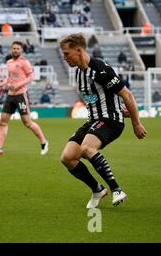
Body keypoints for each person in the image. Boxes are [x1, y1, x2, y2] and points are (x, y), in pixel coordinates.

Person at [59, 33, 147, 208]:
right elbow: (96, 97)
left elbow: (127, 94)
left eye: (67, 53)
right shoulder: (78, 73)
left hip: (110, 120)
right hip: (94, 120)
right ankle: (98, 189)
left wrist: (136, 123)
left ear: (79, 50)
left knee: (86, 148)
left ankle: (117, 190)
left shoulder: (101, 70)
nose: (64, 57)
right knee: (67, 157)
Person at [0, 41, 49, 157]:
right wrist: (1, 84)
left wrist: (19, 85)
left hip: (21, 95)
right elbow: (9, 79)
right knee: (3, 122)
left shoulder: (24, 62)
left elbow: (31, 77)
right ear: (11, 49)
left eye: (18, 48)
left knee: (27, 123)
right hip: (10, 96)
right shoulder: (9, 62)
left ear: (21, 50)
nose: (15, 50)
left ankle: (44, 142)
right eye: (14, 48)